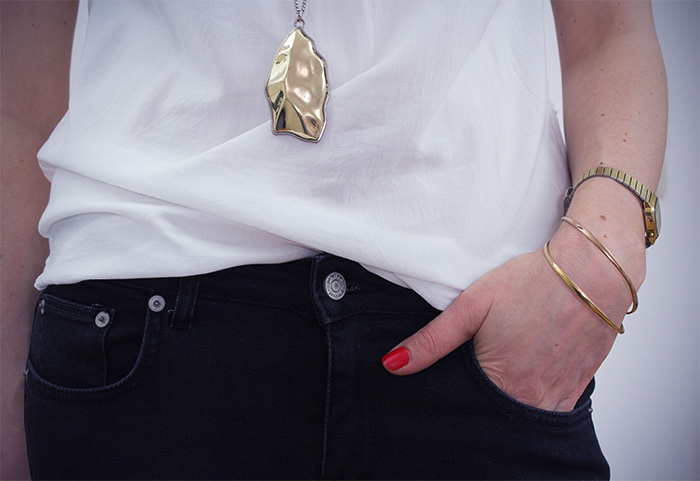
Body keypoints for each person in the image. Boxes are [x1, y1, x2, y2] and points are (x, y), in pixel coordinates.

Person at [1, 0, 667, 479]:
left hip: (473, 339)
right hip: (140, 341)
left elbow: (609, 28)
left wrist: (600, 260)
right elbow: (17, 99)